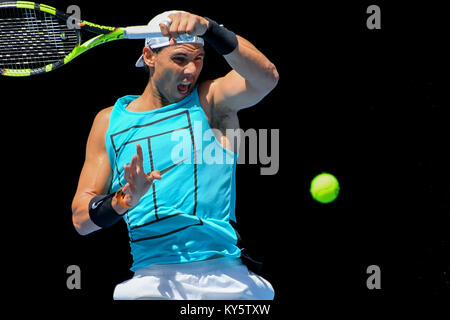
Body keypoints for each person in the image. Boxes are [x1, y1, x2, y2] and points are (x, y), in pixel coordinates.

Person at [71, 10, 279, 300]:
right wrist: (123, 199)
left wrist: (209, 28)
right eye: (180, 59)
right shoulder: (109, 122)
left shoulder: (211, 102)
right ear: (149, 56)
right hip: (151, 282)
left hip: (225, 278)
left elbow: (266, 78)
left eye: (198, 59)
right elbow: (81, 219)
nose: (192, 70)